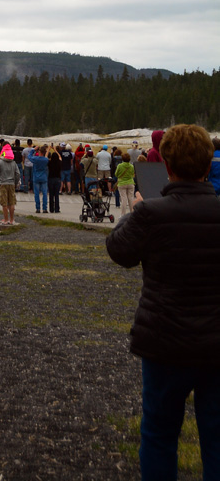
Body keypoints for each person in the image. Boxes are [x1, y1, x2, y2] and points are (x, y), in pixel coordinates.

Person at [106, 124, 220, 481]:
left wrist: (134, 211)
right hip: (217, 343)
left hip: (165, 341)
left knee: (158, 434)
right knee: (217, 437)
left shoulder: (151, 214)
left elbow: (119, 251)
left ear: (167, 165)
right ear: (207, 165)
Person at [0, 144, 21, 226]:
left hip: (3, 183)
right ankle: (12, 220)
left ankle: (6, 220)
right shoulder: (13, 163)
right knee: (12, 202)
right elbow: (18, 174)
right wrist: (15, 183)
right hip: (12, 183)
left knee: (4, 202)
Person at [31, 144, 50, 213]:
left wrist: (33, 150)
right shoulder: (46, 160)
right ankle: (44, 208)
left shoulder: (35, 159)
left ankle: (38, 208)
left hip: (36, 177)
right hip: (44, 177)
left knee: (36, 194)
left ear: (39, 152)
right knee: (44, 193)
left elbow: (29, 156)